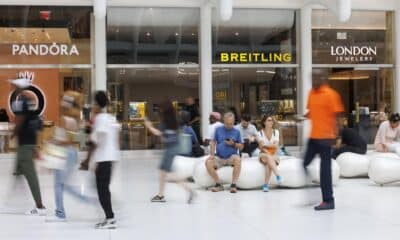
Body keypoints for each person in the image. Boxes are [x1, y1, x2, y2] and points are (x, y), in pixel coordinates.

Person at [46, 91, 95, 222]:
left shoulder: (63, 120)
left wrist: (53, 141)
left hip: (63, 153)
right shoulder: (76, 120)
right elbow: (78, 139)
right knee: (63, 184)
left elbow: (67, 140)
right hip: (72, 153)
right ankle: (85, 199)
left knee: (58, 185)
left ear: (65, 106)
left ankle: (60, 213)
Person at [302, 69, 344, 211]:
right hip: (314, 137)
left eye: (316, 78)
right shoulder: (311, 94)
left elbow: (338, 117)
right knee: (304, 163)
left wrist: (338, 136)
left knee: (324, 171)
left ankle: (328, 201)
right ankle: (312, 186)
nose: (313, 81)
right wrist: (302, 117)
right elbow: (311, 112)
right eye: (312, 78)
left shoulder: (331, 95)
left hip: (326, 138)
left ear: (323, 78)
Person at [145, 100, 196, 203]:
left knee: (169, 174)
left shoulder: (165, 123)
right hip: (174, 148)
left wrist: (149, 126)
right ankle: (161, 195)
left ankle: (188, 191)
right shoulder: (175, 121)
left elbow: (159, 134)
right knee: (164, 172)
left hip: (169, 150)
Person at [9, 78, 46, 215]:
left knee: (30, 175)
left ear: (19, 87)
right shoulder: (30, 101)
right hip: (28, 142)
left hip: (24, 143)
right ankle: (12, 203)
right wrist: (35, 144)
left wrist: (13, 133)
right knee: (17, 173)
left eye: (14, 84)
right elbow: (35, 120)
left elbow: (20, 120)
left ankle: (40, 206)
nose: (11, 86)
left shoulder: (20, 101)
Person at [85, 91, 120, 229]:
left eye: (94, 103)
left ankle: (110, 218)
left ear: (97, 104)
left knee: (102, 190)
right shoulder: (110, 118)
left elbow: (97, 141)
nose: (92, 106)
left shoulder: (100, 118)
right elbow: (115, 138)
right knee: (104, 189)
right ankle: (109, 216)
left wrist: (89, 160)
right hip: (110, 158)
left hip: (104, 158)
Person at [205, 112, 243, 193]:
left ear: (234, 121)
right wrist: (211, 155)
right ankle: (218, 184)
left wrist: (234, 144)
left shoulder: (237, 131)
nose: (229, 125)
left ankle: (233, 185)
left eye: (231, 123)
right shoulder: (218, 129)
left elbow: (241, 146)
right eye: (227, 123)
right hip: (219, 157)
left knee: (238, 159)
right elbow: (213, 142)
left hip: (231, 157)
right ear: (223, 121)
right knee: (208, 162)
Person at [257, 115, 283, 192]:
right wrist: (268, 148)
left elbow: (276, 146)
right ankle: (278, 176)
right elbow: (262, 147)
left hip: (274, 154)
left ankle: (265, 185)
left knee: (269, 163)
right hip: (263, 154)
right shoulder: (259, 133)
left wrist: (266, 145)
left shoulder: (276, 132)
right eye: (269, 120)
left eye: (271, 120)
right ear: (264, 122)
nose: (271, 122)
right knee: (268, 157)